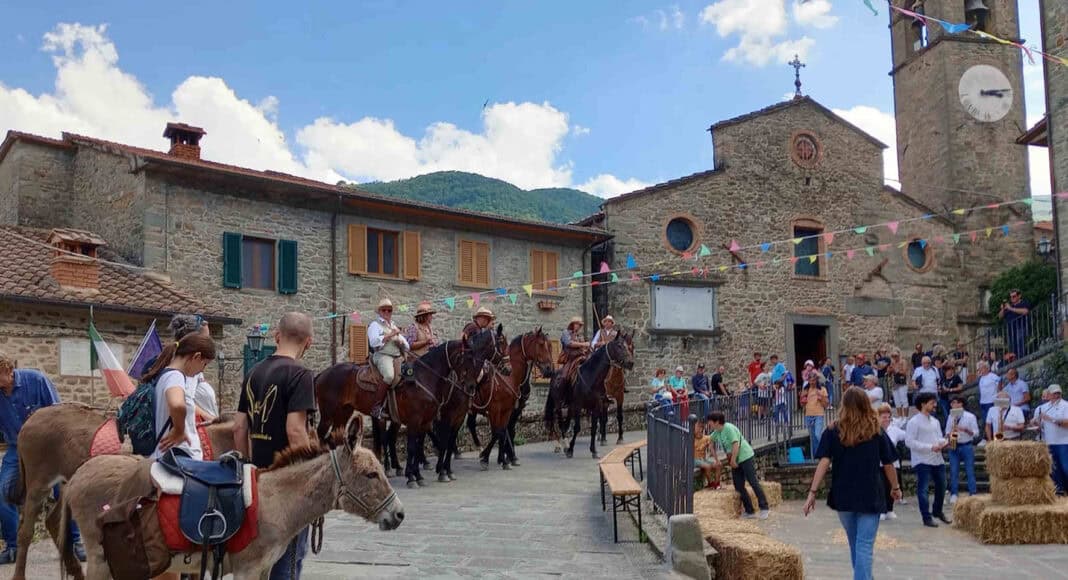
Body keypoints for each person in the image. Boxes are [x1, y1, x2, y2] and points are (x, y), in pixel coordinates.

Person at [235, 312, 316, 579]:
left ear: (276, 335)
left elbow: (240, 428)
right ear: (309, 342)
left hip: (257, 482)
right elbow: (295, 430)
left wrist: (247, 465)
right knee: (289, 559)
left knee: (259, 559)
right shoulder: (301, 375)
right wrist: (309, 474)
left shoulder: (254, 372)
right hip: (286, 485)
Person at [803, 388, 900, 580]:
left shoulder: (833, 431)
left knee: (856, 544)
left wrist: (812, 492)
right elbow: (888, 463)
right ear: (866, 404)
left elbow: (824, 461)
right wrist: (895, 488)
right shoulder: (876, 431)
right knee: (863, 546)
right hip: (870, 493)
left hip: (843, 495)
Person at [0, 357, 84, 564]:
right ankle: (12, 547)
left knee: (65, 493)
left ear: (7, 369)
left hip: (50, 449)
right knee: (3, 493)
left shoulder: (36, 380)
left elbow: (60, 415)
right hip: (16, 449)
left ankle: (74, 543)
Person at [146, 333, 216, 461]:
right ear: (197, 356)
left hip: (170, 456)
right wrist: (179, 430)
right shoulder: (175, 376)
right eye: (205, 364)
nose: (202, 370)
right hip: (179, 457)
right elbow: (177, 405)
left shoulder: (164, 375)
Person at [708, 411, 769, 519]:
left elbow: (736, 444)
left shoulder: (728, 428)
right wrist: (716, 458)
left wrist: (733, 460)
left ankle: (764, 507)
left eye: (710, 422)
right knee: (739, 486)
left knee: (753, 481)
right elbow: (710, 442)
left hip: (745, 456)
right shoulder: (717, 432)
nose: (709, 424)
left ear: (717, 422)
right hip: (735, 459)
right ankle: (749, 510)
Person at [906, 393, 952, 527]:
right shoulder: (914, 421)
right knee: (923, 489)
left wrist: (946, 441)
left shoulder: (935, 421)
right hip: (922, 460)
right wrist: (930, 447)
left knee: (942, 486)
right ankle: (926, 517)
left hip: (937, 459)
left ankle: (937, 511)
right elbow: (909, 442)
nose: (934, 405)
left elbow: (938, 438)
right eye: (932, 403)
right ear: (923, 404)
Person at [168, 314, 219, 419]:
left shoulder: (191, 370)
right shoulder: (184, 373)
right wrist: (212, 420)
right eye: (205, 340)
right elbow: (185, 404)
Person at [1032, 385, 1068, 495]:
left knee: (1065, 467)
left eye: (1058, 393)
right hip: (1049, 441)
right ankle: (1059, 489)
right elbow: (1040, 426)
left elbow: (1066, 423)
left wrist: (1050, 419)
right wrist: (1036, 424)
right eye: (1054, 393)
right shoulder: (1043, 407)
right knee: (1053, 468)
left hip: (1063, 442)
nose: (1056, 395)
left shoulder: (1066, 405)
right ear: (1049, 394)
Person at [944, 396, 979, 504]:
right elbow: (946, 432)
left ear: (961, 404)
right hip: (954, 445)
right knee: (954, 471)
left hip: (966, 445)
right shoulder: (951, 416)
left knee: (969, 470)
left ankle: (972, 493)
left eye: (955, 403)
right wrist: (950, 434)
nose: (953, 405)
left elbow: (976, 433)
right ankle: (954, 493)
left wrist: (965, 430)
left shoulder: (970, 416)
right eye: (952, 403)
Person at [368, 298, 409, 388]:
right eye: (384, 310)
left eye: (389, 310)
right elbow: (373, 342)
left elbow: (407, 346)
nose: (387, 312)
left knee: (410, 374)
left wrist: (401, 342)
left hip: (398, 356)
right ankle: (379, 401)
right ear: (379, 311)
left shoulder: (393, 326)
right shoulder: (375, 325)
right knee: (389, 376)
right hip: (383, 355)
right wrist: (390, 335)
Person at [878, 402, 908, 513]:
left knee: (890, 486)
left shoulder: (894, 430)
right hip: (878, 464)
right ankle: (882, 510)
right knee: (881, 487)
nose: (886, 419)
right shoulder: (874, 430)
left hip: (892, 464)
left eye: (888, 417)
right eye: (884, 417)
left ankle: (889, 509)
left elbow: (907, 435)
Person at [802, 373, 829, 459]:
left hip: (818, 414)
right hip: (808, 414)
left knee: (818, 435)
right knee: (813, 438)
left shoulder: (822, 389)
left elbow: (826, 404)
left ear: (816, 380)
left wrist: (821, 398)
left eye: (814, 380)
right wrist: (802, 401)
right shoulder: (806, 390)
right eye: (810, 380)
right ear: (808, 381)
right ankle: (817, 456)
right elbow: (802, 403)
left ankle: (824, 452)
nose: (812, 382)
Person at [998, 289, 1031, 359]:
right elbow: (1000, 316)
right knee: (1012, 346)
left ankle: (1021, 358)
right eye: (1011, 297)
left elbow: (1025, 311)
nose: (1012, 298)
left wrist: (1011, 308)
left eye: (1014, 296)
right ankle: (1015, 359)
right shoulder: (1009, 306)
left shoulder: (1023, 303)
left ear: (1019, 296)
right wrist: (1003, 309)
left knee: (1020, 343)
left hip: (1021, 327)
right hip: (1011, 330)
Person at [559, 316, 590, 384]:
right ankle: (561, 391)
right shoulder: (566, 332)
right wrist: (584, 344)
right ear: (572, 324)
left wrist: (586, 348)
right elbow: (569, 343)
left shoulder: (579, 335)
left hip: (581, 356)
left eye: (579, 325)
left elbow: (584, 347)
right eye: (576, 324)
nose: (578, 326)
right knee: (564, 377)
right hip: (570, 357)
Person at [693, 420, 721, 489]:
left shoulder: (707, 438)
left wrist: (717, 460)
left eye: (700, 427)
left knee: (719, 465)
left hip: (703, 459)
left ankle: (717, 484)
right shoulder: (691, 438)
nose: (698, 429)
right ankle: (710, 483)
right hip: (694, 459)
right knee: (707, 466)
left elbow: (711, 449)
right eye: (696, 427)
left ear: (702, 429)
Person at [976, 361, 999, 445]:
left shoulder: (993, 376)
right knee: (986, 420)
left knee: (992, 420)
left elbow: (1000, 384)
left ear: (986, 368)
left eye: (981, 368)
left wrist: (997, 395)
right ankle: (987, 438)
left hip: (991, 401)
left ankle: (993, 438)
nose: (979, 370)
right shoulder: (981, 378)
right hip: (983, 402)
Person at [888, 349, 910, 420]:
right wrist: (890, 368)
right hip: (895, 383)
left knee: (904, 400)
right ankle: (900, 417)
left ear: (899, 355)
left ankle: (906, 417)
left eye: (896, 356)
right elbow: (888, 373)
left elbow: (904, 372)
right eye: (893, 356)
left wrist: (896, 369)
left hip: (902, 383)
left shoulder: (903, 361)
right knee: (897, 401)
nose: (894, 357)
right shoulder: (892, 363)